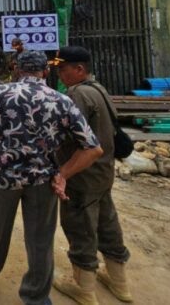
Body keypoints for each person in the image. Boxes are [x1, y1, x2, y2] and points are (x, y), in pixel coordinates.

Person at [0, 50, 103, 305]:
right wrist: (62, 174)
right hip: (43, 180)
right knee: (40, 237)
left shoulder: (2, 93)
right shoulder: (62, 100)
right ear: (46, 71)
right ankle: (36, 296)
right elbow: (93, 149)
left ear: (16, 68)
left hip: (5, 176)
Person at [52, 46, 132, 304]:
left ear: (79, 69)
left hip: (82, 173)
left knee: (80, 225)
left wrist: (61, 170)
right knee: (107, 223)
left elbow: (68, 135)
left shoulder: (77, 95)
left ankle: (83, 286)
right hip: (103, 171)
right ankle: (119, 282)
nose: (60, 74)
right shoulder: (99, 89)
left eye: (63, 69)